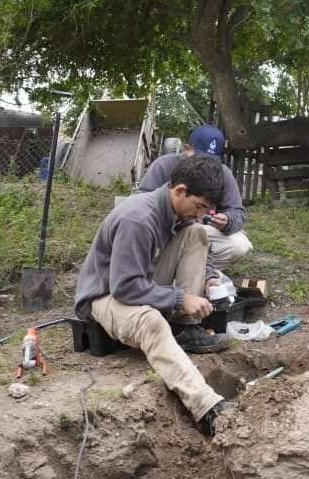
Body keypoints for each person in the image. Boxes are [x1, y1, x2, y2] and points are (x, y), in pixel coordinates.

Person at [74, 155, 234, 436]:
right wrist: (178, 298)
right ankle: (207, 408)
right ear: (180, 190)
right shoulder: (138, 218)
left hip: (136, 283)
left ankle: (185, 329)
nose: (200, 213)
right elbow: (124, 287)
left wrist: (208, 278)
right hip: (105, 295)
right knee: (151, 322)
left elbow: (188, 242)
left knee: (197, 233)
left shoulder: (176, 211)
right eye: (199, 206)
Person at [137, 124, 252, 270]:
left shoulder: (223, 173)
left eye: (211, 159)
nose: (205, 164)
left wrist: (228, 221)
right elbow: (142, 200)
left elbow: (237, 211)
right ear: (187, 149)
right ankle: (166, 269)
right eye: (200, 156)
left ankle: (197, 270)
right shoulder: (164, 165)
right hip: (164, 228)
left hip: (202, 228)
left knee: (239, 245)